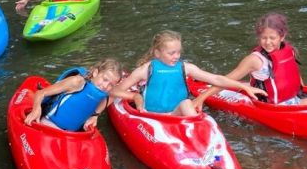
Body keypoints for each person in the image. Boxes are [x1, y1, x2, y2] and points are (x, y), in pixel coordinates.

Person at [112, 31, 267, 117]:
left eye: (178, 52)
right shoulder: (146, 70)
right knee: (186, 103)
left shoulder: (186, 68)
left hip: (175, 115)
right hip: (151, 116)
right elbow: (116, 90)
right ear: (157, 53)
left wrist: (244, 87)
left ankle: (197, 133)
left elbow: (216, 79)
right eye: (171, 53)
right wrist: (134, 97)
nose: (176, 56)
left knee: (187, 103)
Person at [199, 12, 304, 105]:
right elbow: (225, 81)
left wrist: (302, 92)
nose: (267, 42)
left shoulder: (289, 50)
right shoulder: (254, 60)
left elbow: (294, 74)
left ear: (282, 37)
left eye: (272, 38)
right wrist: (200, 98)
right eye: (263, 38)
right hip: (270, 106)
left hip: (293, 99)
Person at [23, 60, 122, 132]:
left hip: (72, 134)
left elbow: (109, 97)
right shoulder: (77, 82)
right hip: (49, 125)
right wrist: (36, 109)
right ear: (95, 73)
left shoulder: (104, 91)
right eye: (104, 79)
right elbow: (41, 93)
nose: (106, 86)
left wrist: (95, 115)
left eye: (111, 84)